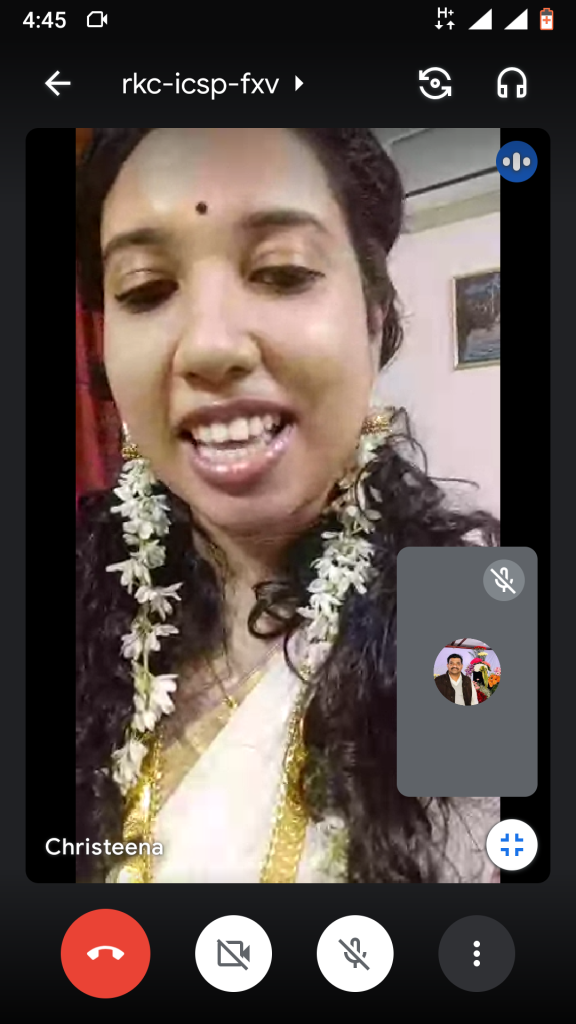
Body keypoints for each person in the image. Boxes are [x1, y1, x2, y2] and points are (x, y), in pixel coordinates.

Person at [76, 128, 500, 884]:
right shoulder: (82, 593)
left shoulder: (468, 615)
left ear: (374, 320)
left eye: (281, 272)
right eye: (145, 290)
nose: (209, 347)